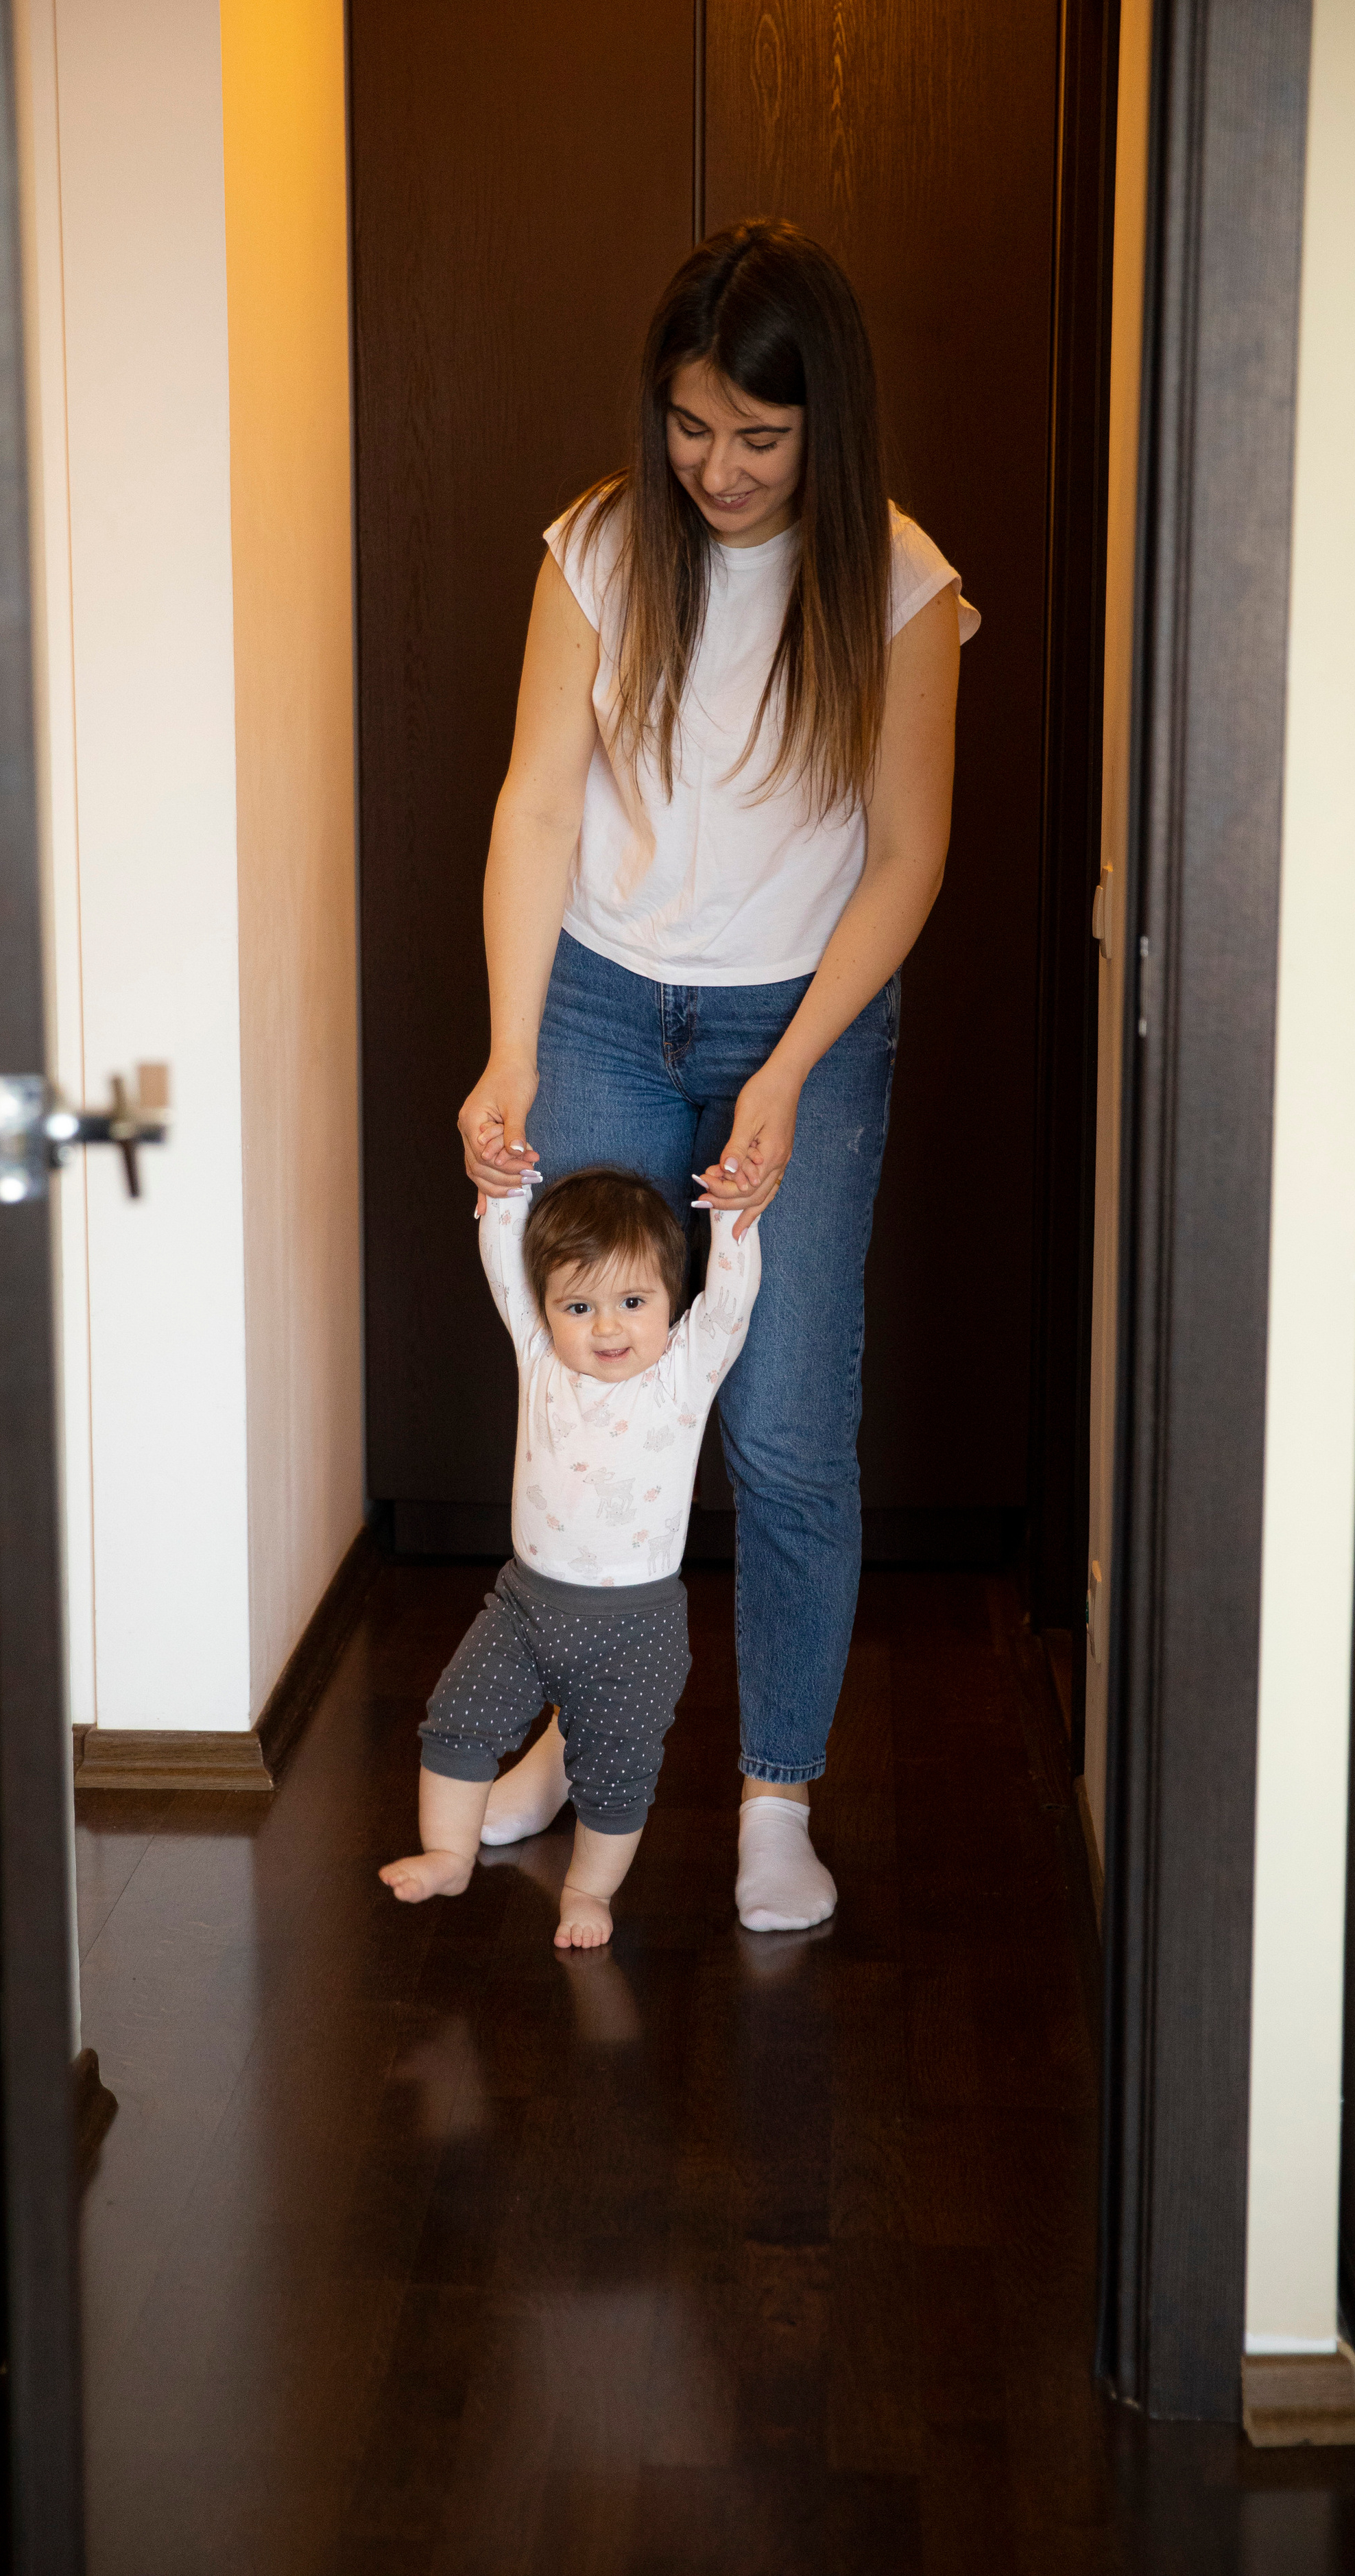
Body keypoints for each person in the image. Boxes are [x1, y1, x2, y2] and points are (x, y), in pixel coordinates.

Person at [457, 218, 976, 1932]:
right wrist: (512, 1040)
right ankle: (552, 1743)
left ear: (826, 423)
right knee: (588, 1388)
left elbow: (904, 855)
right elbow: (537, 800)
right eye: (689, 428)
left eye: (760, 437)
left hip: (800, 1020)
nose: (720, 470)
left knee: (782, 1430)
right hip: (602, 1003)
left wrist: (793, 1067)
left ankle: (773, 1794)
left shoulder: (897, 580)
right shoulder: (599, 549)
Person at [379, 1165, 759, 1947]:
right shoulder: (542, 1356)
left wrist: (730, 1219)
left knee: (615, 1778)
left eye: (632, 1302)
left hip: (635, 1629)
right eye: (578, 1307)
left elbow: (727, 1306)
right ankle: (450, 1853)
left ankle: (589, 1890)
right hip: (522, 1606)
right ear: (547, 1309)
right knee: (454, 1725)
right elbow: (503, 1263)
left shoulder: (680, 1377)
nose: (606, 1328)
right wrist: (506, 1187)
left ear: (668, 1299)